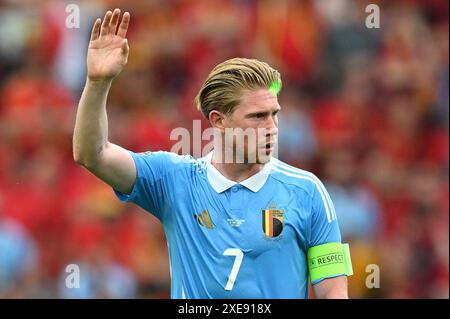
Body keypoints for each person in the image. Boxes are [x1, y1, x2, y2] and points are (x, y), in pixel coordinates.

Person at [73, 9, 353, 299]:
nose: (271, 127)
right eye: (257, 117)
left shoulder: (307, 192)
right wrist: (97, 83)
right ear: (219, 120)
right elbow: (92, 154)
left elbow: (334, 293)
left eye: (275, 114)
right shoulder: (173, 180)